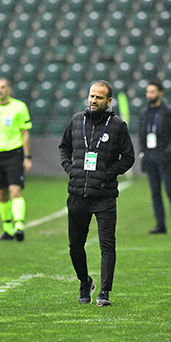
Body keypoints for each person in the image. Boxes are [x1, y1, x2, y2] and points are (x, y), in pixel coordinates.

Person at [59, 80, 135, 307]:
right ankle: (85, 282)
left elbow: (128, 157)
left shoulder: (118, 126)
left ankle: (104, 292)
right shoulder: (76, 121)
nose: (93, 100)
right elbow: (64, 148)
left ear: (109, 101)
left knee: (107, 245)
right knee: (75, 246)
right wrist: (70, 169)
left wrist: (108, 173)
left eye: (99, 97)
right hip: (77, 194)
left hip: (104, 196)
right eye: (91, 96)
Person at [0, 78, 32, 242]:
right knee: (1, 193)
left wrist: (27, 156)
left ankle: (19, 226)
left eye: (3, 87)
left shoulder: (19, 107)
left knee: (15, 190)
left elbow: (25, 133)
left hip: (14, 153)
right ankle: (7, 229)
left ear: (9, 89)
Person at [138, 80, 171, 234]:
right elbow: (141, 134)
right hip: (150, 156)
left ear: (160, 93)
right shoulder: (144, 112)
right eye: (147, 92)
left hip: (164, 156)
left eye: (152, 91)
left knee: (170, 191)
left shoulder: (169, 111)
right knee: (155, 192)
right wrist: (143, 151)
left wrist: (168, 153)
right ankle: (160, 225)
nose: (149, 95)